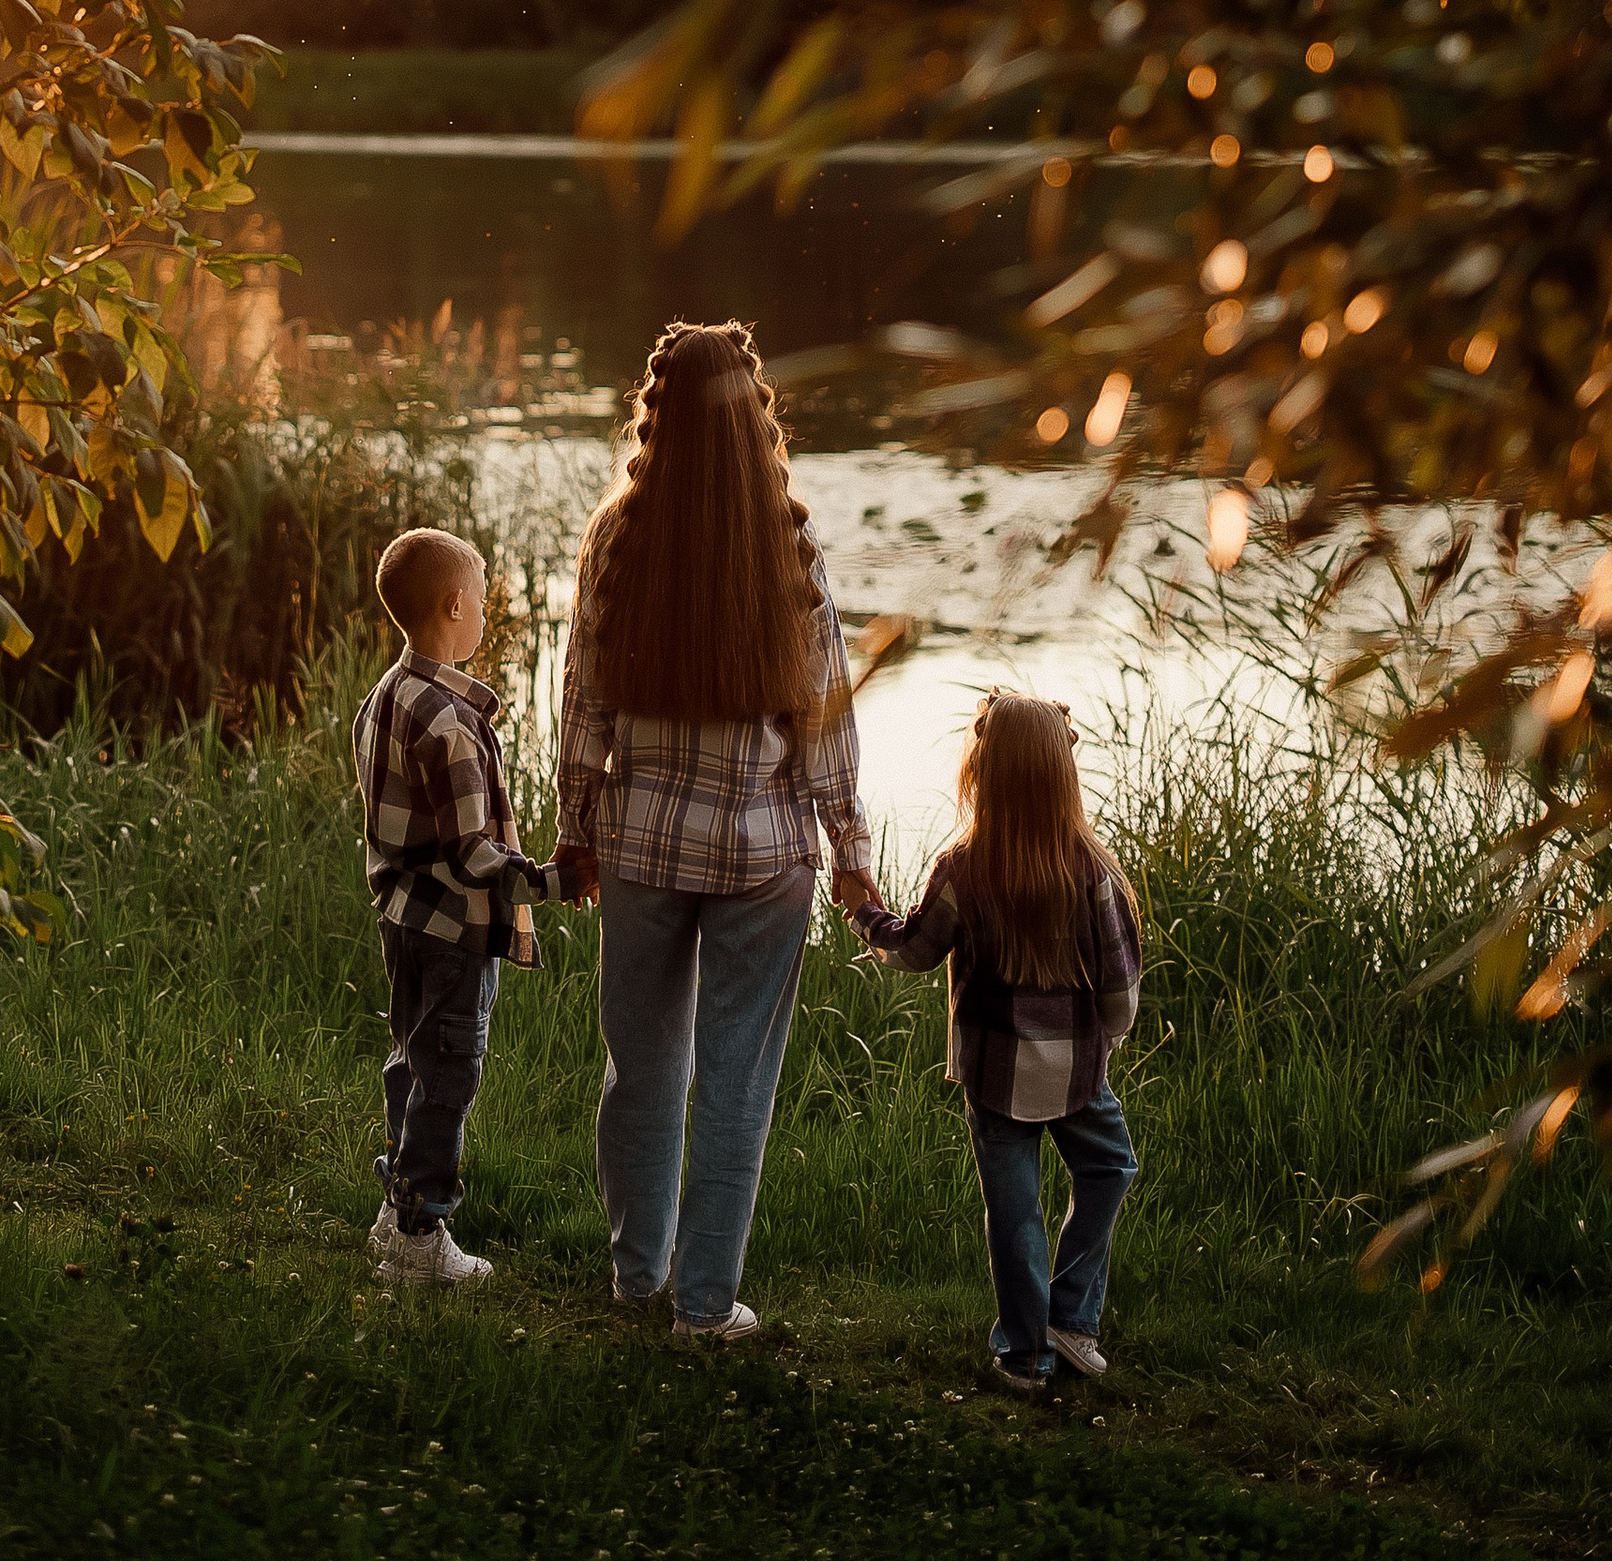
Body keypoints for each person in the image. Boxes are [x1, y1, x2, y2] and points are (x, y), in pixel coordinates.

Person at [555, 319, 881, 1344]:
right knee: (736, 1082)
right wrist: (851, 855)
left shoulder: (617, 537)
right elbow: (824, 716)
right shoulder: (786, 548)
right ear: (754, 423)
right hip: (761, 855)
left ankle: (635, 1276)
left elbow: (583, 700)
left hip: (643, 842)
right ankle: (704, 1307)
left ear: (653, 417)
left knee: (642, 1066)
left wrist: (575, 829)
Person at [856, 691, 1142, 1397]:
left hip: (992, 1075)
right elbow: (1121, 997)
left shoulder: (963, 867)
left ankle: (1027, 1353)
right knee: (1109, 1169)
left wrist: (867, 918)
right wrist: (1104, 1039)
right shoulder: (1093, 874)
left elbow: (917, 949)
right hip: (1078, 1075)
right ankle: (1071, 1321)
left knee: (1015, 1213)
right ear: (1061, 776)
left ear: (982, 771)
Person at [352, 522, 579, 1288]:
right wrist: (555, 882)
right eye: (482, 600)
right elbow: (473, 856)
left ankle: (396, 1207)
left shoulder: (387, 695)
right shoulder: (449, 724)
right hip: (450, 930)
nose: (487, 612)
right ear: (454, 605)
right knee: (449, 1071)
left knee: (411, 1060)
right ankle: (420, 1232)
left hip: (401, 919)